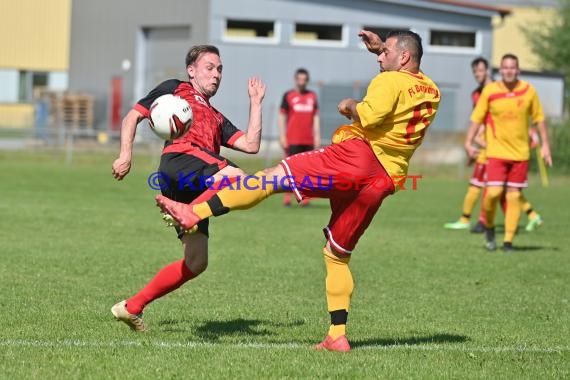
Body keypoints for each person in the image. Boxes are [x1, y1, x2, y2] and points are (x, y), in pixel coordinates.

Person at [156, 30, 440, 351]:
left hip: (356, 157)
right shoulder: (430, 89)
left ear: (402, 57)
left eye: (384, 51)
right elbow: (405, 78)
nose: (378, 56)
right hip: (384, 179)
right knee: (336, 256)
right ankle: (337, 335)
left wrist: (349, 105)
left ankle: (194, 211)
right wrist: (384, 50)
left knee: (271, 178)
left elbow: (371, 114)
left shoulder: (388, 81)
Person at [110, 45, 266, 331]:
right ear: (192, 71)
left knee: (196, 261)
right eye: (210, 67)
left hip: (192, 181)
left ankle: (131, 307)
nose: (216, 74)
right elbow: (132, 116)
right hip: (181, 160)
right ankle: (190, 211)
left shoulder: (217, 117)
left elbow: (252, 145)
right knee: (240, 178)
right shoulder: (176, 88)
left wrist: (255, 103)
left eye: (220, 69)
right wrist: (125, 154)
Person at [444, 57, 544, 233]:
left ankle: (477, 220)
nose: (478, 74)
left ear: (488, 70)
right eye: (475, 72)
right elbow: (479, 119)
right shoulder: (477, 93)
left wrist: (531, 133)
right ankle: (529, 216)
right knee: (499, 189)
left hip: (496, 148)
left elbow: (513, 117)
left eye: (481, 70)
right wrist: (472, 140)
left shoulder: (501, 88)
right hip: (487, 145)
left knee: (488, 187)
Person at [464, 53, 551, 252]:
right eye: (505, 68)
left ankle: (508, 241)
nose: (509, 71)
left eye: (512, 67)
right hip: (495, 153)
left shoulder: (528, 91)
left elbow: (539, 120)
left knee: (513, 197)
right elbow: (476, 118)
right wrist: (468, 142)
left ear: (518, 70)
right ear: (500, 70)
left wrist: (545, 145)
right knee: (493, 193)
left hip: (520, 154)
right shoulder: (490, 91)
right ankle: (489, 227)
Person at [278, 68, 321, 206]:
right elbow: (281, 116)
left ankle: (305, 198)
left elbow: (315, 117)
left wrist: (317, 136)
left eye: (304, 79)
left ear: (307, 80)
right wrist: (282, 135)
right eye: (299, 79)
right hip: (292, 139)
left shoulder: (312, 96)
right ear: (295, 79)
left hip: (308, 139)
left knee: (307, 170)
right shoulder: (288, 95)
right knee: (289, 169)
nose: (302, 82)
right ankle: (287, 197)